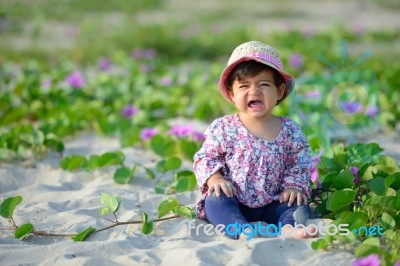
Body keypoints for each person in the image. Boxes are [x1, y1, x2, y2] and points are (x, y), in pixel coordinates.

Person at [193, 41, 316, 240]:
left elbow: (299, 163)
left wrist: (293, 186)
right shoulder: (224, 127)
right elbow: (205, 157)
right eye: (244, 85)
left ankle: (289, 227)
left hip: (274, 201)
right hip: (234, 198)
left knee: (298, 205)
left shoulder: (291, 130)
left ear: (280, 91)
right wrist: (215, 178)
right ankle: (240, 229)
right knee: (215, 202)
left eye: (264, 84)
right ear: (232, 94)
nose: (254, 91)